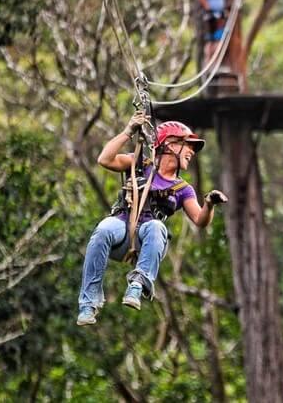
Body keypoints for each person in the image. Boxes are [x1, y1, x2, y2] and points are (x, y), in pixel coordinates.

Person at [77, 112, 228, 326]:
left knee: (156, 227)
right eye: (188, 146)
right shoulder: (139, 164)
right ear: (171, 145)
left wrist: (210, 204)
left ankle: (139, 283)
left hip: (147, 240)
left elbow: (200, 220)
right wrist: (128, 131)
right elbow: (105, 159)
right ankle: (88, 304)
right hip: (121, 227)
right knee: (102, 230)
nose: (192, 153)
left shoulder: (183, 189)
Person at [199, 0, 226, 66]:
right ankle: (211, 63)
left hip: (217, 15)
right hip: (213, 16)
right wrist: (209, 9)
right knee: (214, 40)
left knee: (215, 39)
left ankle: (213, 63)